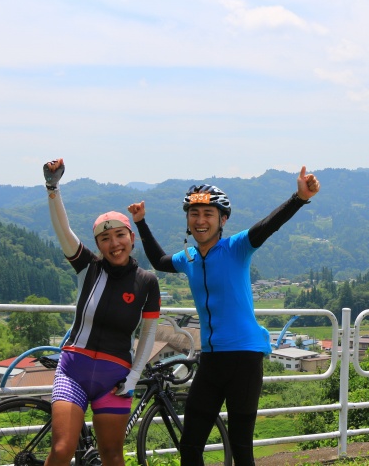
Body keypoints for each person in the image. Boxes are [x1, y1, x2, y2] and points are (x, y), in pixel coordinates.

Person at [128, 166, 320, 465]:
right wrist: (140, 222)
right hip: (212, 360)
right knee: (190, 445)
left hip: (244, 357)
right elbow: (159, 260)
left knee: (241, 447)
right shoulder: (189, 258)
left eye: (208, 214)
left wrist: (299, 198)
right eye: (194, 214)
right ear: (188, 221)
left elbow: (268, 225)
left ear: (222, 220)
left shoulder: (236, 248)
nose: (200, 221)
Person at [43, 158, 161, 466]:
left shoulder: (147, 282)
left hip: (116, 379)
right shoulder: (89, 268)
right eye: (104, 239)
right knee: (61, 450)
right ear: (98, 244)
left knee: (111, 455)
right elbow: (62, 230)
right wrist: (53, 188)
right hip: (73, 370)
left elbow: (148, 333)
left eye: (120, 235)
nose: (114, 243)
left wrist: (134, 376)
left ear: (131, 238)